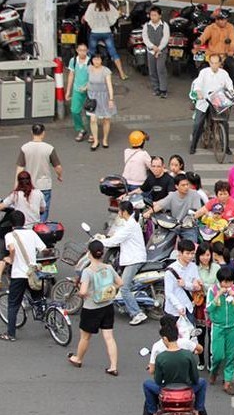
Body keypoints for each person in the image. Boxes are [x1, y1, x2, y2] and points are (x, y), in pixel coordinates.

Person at [67, 240, 122, 374]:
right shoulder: (108, 267)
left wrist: (81, 292)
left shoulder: (88, 271)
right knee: (109, 337)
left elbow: (83, 291)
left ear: (89, 253)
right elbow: (120, 282)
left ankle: (78, 358)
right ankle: (113, 366)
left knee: (85, 337)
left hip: (91, 308)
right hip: (107, 306)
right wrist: (108, 291)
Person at [143, 322, 208, 415]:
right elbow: (195, 378)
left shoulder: (160, 357)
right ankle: (197, 412)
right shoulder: (188, 355)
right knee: (203, 382)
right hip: (186, 390)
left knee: (147, 384)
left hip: (166, 392)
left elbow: (158, 381)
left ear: (165, 339)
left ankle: (153, 413)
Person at [99, 201, 147, 325]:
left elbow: (117, 240)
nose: (118, 213)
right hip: (133, 257)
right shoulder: (130, 224)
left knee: (124, 287)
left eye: (119, 211)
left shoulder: (130, 225)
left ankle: (137, 313)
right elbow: (117, 235)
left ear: (124, 212)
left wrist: (100, 242)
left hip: (134, 259)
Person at [0, 211, 45, 341]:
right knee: (38, 298)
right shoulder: (31, 233)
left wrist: (11, 258)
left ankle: (10, 334)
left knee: (13, 304)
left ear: (11, 224)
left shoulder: (10, 235)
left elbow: (12, 249)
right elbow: (43, 248)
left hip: (19, 274)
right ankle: (46, 317)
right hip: (33, 274)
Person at [207, 265, 234, 395]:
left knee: (230, 356)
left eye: (230, 281)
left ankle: (228, 382)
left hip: (232, 327)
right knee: (217, 355)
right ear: (220, 281)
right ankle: (214, 371)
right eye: (224, 281)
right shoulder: (212, 290)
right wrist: (218, 296)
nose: (227, 284)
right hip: (218, 327)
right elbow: (209, 309)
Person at [15, 123, 61, 222]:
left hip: (29, 185)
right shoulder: (49, 148)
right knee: (44, 209)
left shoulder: (25, 148)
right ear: (43, 133)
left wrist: (16, 184)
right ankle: (41, 228)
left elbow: (20, 168)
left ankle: (31, 226)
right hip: (45, 185)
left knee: (29, 208)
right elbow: (58, 167)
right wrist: (59, 175)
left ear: (32, 132)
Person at [189, 54, 234, 155]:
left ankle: (226, 146)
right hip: (204, 100)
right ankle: (193, 145)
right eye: (212, 63)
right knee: (198, 123)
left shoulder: (224, 74)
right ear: (209, 63)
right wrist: (199, 93)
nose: (214, 65)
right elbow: (198, 84)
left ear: (220, 63)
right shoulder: (204, 72)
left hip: (218, 101)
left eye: (216, 63)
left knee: (224, 123)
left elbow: (230, 86)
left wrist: (230, 92)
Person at [82, 0, 127, 80]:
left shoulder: (91, 6)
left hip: (94, 33)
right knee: (113, 52)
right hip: (106, 32)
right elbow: (116, 15)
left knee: (91, 53)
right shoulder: (107, 5)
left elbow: (86, 18)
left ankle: (86, 73)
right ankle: (122, 73)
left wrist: (93, 25)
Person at [146, 173, 203, 243]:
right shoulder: (172, 195)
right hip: (174, 225)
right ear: (176, 186)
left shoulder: (194, 194)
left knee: (190, 245)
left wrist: (190, 220)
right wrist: (148, 212)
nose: (186, 187)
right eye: (183, 185)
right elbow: (160, 205)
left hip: (189, 227)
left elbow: (197, 211)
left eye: (187, 184)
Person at [162, 239, 202, 325]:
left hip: (189, 307)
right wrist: (179, 307)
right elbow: (169, 293)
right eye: (187, 253)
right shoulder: (170, 271)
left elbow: (197, 286)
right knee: (173, 336)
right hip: (173, 311)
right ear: (180, 253)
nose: (190, 256)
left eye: (192, 253)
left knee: (190, 336)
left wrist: (186, 284)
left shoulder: (193, 266)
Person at [85, 53, 116, 151]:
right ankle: (95, 140)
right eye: (94, 59)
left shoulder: (105, 71)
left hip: (104, 96)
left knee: (106, 119)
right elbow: (88, 81)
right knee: (93, 119)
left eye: (98, 59)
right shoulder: (89, 68)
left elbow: (109, 85)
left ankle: (105, 139)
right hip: (92, 97)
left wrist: (111, 99)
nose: (96, 61)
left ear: (101, 60)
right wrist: (85, 87)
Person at [197, 10, 234, 81]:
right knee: (203, 68)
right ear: (216, 20)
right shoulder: (210, 28)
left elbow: (233, 40)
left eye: (225, 19)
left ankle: (231, 86)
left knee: (233, 65)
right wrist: (199, 41)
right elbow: (203, 37)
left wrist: (231, 50)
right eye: (221, 20)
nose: (224, 22)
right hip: (211, 54)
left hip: (225, 55)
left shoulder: (230, 27)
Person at [64, 43, 91, 141]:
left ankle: (92, 132)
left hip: (89, 91)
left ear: (87, 51)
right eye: (81, 50)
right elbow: (71, 75)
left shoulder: (90, 61)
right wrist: (68, 91)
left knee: (89, 112)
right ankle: (81, 129)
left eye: (84, 50)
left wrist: (87, 86)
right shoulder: (73, 60)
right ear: (77, 50)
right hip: (76, 90)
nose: (83, 52)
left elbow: (93, 77)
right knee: (74, 111)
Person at [142, 5, 170, 98]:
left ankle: (163, 89)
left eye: (155, 15)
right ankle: (156, 88)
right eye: (151, 15)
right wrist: (152, 46)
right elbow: (145, 38)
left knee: (160, 69)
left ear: (160, 16)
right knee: (152, 70)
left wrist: (159, 48)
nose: (153, 17)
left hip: (161, 51)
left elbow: (165, 38)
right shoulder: (146, 25)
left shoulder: (164, 25)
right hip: (151, 51)